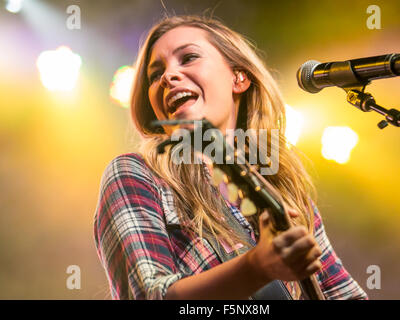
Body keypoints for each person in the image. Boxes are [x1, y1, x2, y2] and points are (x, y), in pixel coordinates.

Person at [93, 15, 368, 300]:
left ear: (239, 77)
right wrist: (255, 268)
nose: (167, 76)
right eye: (154, 75)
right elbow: (149, 295)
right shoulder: (136, 175)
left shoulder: (286, 195)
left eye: (188, 58)